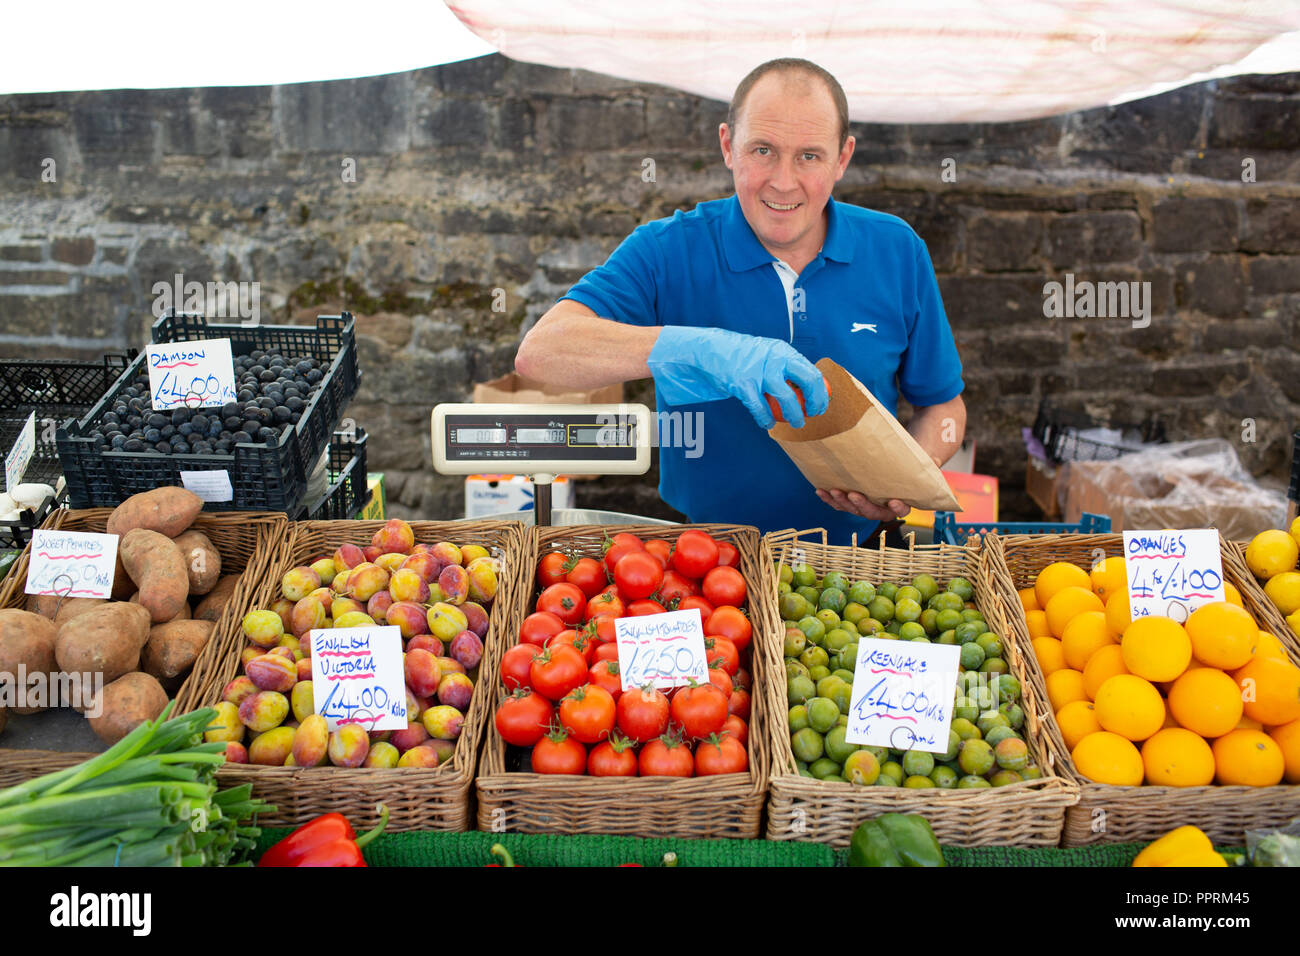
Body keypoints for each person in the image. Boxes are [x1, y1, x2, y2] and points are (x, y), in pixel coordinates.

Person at [514, 58, 966, 544]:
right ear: (728, 145)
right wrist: (693, 348)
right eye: (763, 150)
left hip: (865, 555)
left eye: (809, 156)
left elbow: (943, 407)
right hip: (707, 562)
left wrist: (905, 481)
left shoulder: (897, 250)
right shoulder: (669, 250)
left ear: (843, 158)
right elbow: (541, 354)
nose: (784, 181)